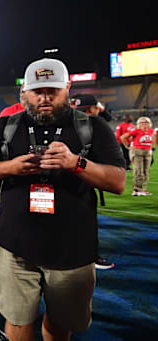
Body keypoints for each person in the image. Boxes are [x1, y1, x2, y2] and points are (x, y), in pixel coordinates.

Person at [0, 58, 126, 341]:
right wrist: (11, 167)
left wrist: (76, 163)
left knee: (59, 324)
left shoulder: (92, 126)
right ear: (24, 93)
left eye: (52, 90)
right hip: (14, 248)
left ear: (67, 88)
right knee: (17, 321)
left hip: (72, 249)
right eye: (37, 91)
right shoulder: (8, 126)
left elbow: (117, 182)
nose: (44, 98)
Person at [69, 93, 117, 270]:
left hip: (74, 177)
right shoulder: (94, 125)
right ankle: (89, 256)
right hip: (84, 177)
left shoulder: (72, 123)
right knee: (83, 219)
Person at [121, 117, 156, 197]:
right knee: (138, 171)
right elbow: (123, 137)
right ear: (139, 124)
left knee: (146, 172)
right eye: (142, 122)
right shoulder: (136, 131)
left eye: (146, 122)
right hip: (137, 152)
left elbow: (153, 140)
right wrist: (128, 146)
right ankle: (136, 190)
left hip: (147, 152)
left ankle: (143, 190)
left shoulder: (151, 131)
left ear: (149, 123)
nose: (144, 124)